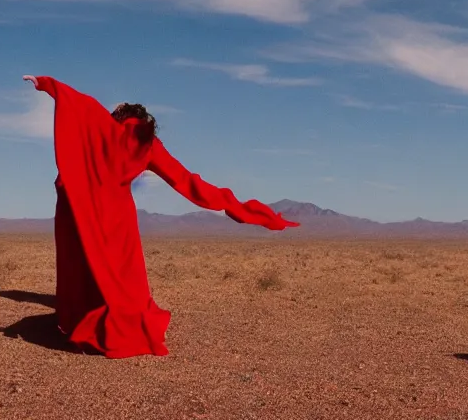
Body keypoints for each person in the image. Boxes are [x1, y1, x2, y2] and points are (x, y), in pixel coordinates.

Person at [22, 74, 299, 359]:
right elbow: (188, 182)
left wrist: (48, 84)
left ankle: (88, 323)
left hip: (88, 214)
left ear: (119, 116)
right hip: (120, 220)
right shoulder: (148, 144)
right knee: (125, 284)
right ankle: (124, 330)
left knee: (91, 269)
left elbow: (82, 107)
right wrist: (241, 209)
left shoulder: (106, 130)